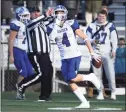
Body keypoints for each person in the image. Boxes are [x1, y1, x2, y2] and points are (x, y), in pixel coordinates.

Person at [47, 5, 101, 108]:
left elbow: (84, 38)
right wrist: (57, 24)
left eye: (61, 12)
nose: (59, 14)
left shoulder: (71, 23)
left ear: (65, 13)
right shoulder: (51, 26)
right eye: (57, 12)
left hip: (74, 55)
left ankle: (90, 77)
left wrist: (92, 52)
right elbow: (51, 37)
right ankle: (84, 102)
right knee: (69, 81)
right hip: (64, 57)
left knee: (72, 77)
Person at [16, 7, 54, 101]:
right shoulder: (29, 23)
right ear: (30, 14)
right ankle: (21, 86)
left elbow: (52, 20)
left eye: (38, 12)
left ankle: (45, 95)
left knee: (49, 73)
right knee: (41, 74)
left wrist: (53, 14)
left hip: (45, 53)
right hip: (36, 53)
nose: (36, 13)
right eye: (34, 12)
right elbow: (36, 22)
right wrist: (45, 15)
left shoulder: (42, 23)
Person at [86, 10, 118, 100]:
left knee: (110, 74)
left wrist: (114, 50)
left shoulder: (110, 25)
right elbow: (86, 39)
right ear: (97, 16)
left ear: (106, 17)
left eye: (103, 17)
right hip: (96, 53)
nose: (101, 18)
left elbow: (114, 39)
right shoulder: (92, 25)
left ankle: (113, 92)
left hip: (107, 52)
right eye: (100, 16)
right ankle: (100, 92)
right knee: (97, 75)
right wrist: (93, 41)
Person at [8, 6, 35, 99]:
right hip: (17, 50)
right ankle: (19, 92)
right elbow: (11, 40)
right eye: (23, 15)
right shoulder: (16, 24)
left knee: (29, 74)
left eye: (26, 15)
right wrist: (11, 55)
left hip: (26, 51)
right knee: (23, 72)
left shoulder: (29, 24)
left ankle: (21, 89)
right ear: (19, 16)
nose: (25, 17)